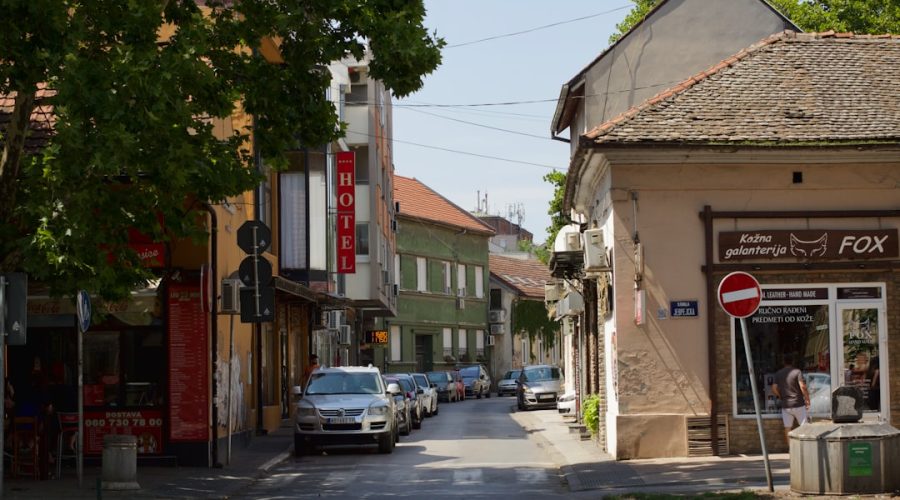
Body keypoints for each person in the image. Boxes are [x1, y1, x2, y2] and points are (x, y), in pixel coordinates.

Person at [772, 353, 810, 446]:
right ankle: (805, 447)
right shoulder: (797, 372)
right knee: (804, 427)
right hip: (798, 404)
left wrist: (780, 396)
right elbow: (803, 386)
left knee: (787, 428)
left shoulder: (778, 373)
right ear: (792, 361)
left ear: (783, 362)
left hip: (786, 406)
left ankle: (790, 449)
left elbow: (773, 388)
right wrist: (807, 399)